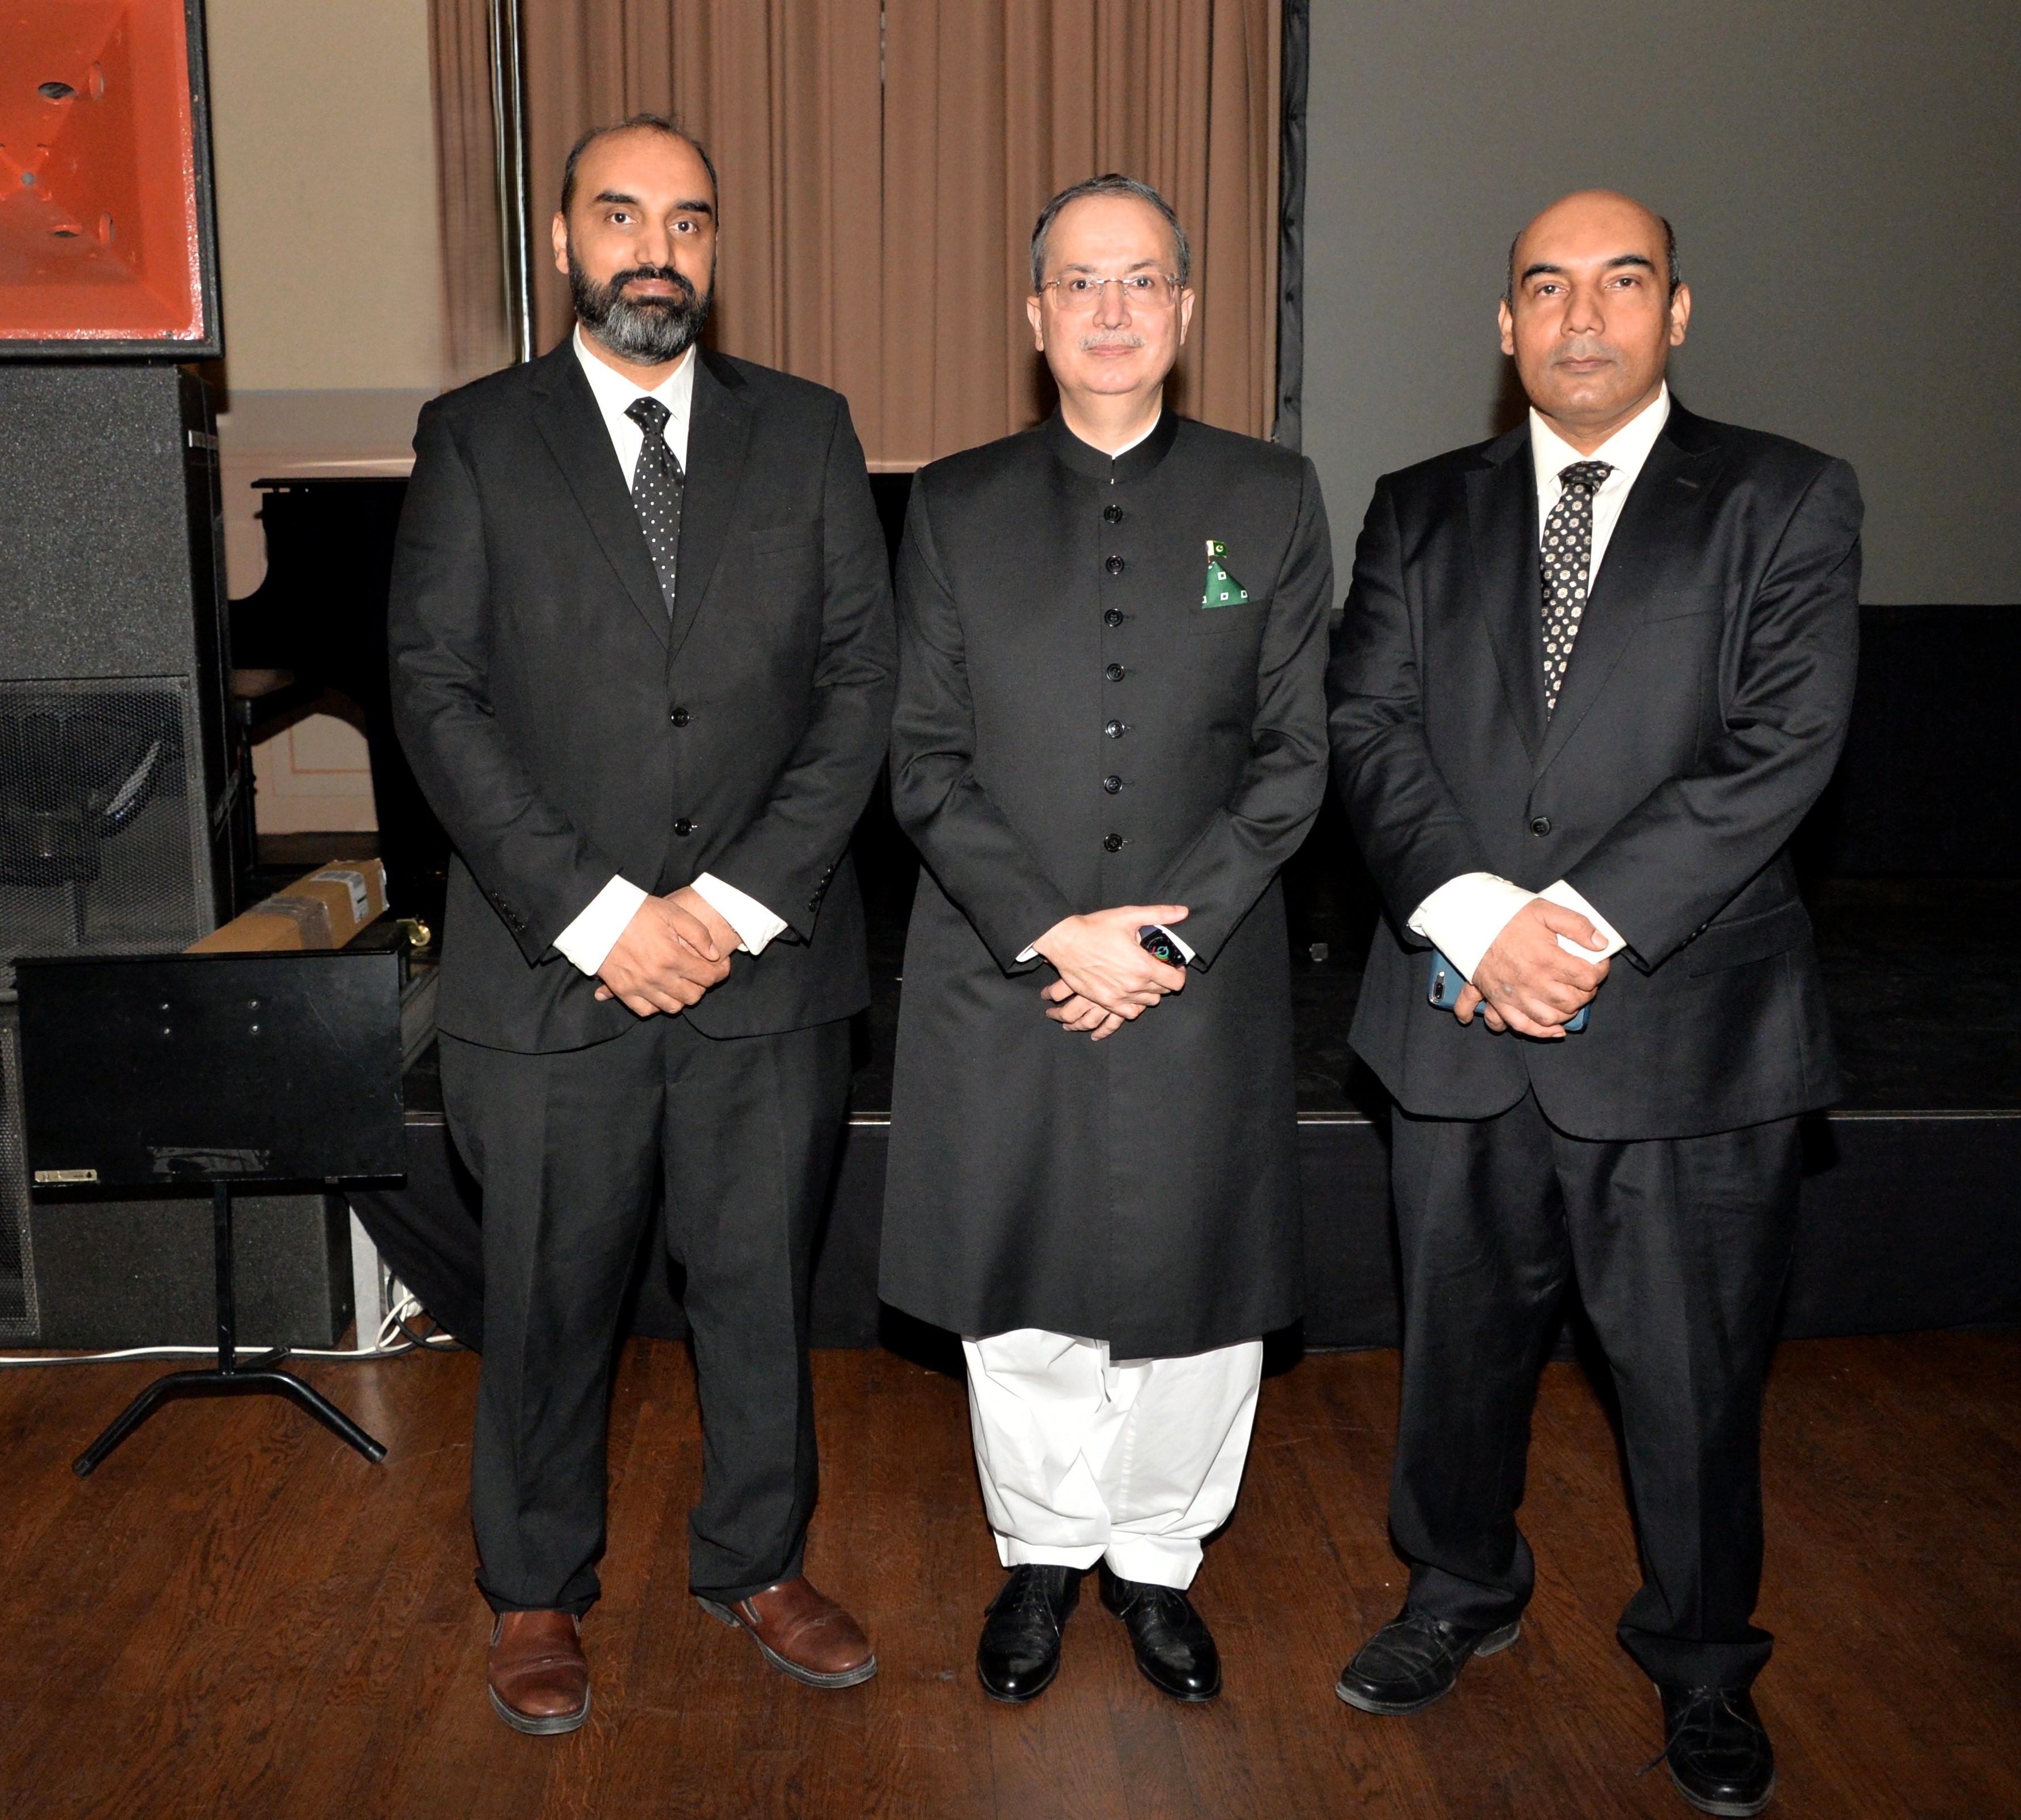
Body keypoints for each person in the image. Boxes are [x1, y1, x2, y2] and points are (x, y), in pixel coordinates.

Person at [1327, 190, 1860, 1815]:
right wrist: (1480, 923)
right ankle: (1457, 1592)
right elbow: (1368, 727)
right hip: (1458, 1016)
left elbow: (1784, 744)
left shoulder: (1782, 496)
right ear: (1505, 326)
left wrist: (1572, 924)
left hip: (1690, 1032)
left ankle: (1702, 1661)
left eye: (1622, 282)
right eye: (1545, 286)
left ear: (1675, 313)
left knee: (1694, 1381)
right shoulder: (1419, 508)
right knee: (1456, 1356)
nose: (1581, 315)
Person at [389, 115, 894, 1734]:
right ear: (564, 243)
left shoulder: (807, 432)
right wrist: (602, 915)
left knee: (760, 1291)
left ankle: (760, 1560)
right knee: (548, 1301)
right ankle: (535, 1587)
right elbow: (437, 698)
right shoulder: (476, 437)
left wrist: (730, 908)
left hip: (766, 967)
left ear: (715, 249)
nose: (655, 248)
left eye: (687, 220)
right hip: (552, 975)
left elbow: (862, 691)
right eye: (621, 215)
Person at [881, 174, 1332, 1706]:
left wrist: (1165, 942)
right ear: (1035, 316)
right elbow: (922, 760)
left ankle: (1156, 1560)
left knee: (1197, 1288)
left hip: (1206, 966)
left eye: (1143, 279)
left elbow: (1296, 758)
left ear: (1187, 310)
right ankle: (1043, 1548)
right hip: (1003, 963)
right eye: (1081, 281)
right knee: (1019, 1280)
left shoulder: (1274, 497)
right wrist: (1052, 931)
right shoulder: (952, 505)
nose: (1113, 308)